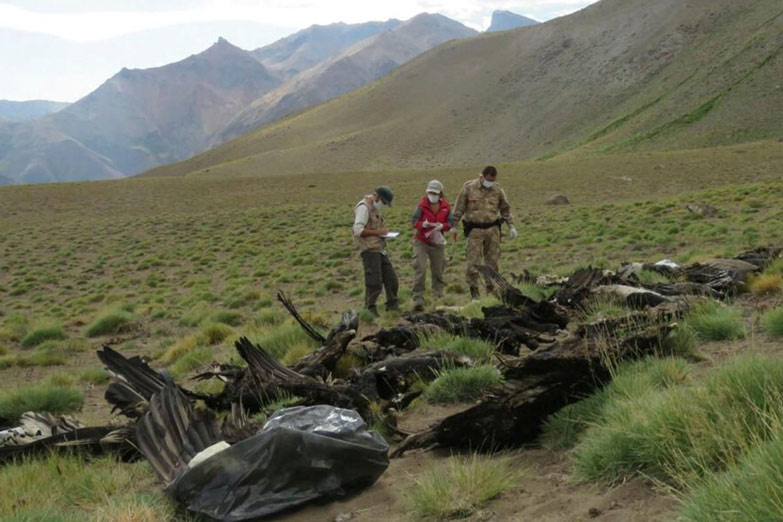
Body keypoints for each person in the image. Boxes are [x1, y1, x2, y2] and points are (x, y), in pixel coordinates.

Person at [452, 166, 517, 299]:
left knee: (492, 263)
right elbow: (459, 207)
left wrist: (511, 226)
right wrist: (454, 225)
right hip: (474, 230)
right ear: (482, 177)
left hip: (492, 230)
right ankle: (474, 293)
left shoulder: (497, 190)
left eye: (493, 180)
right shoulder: (469, 187)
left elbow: (505, 209)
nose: (490, 183)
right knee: (473, 263)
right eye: (488, 180)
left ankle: (491, 291)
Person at [353, 186, 399, 316]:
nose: (383, 205)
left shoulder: (375, 208)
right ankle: (370, 311)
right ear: (377, 197)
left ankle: (392, 308)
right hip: (369, 250)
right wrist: (379, 232)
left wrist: (383, 234)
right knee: (374, 282)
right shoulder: (364, 207)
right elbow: (358, 231)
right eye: (383, 202)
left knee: (391, 280)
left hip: (380, 249)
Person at [411, 180, 453, 312]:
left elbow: (450, 223)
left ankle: (438, 296)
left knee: (438, 270)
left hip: (437, 242)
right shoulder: (421, 206)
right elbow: (414, 221)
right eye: (430, 193)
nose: (432, 195)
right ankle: (418, 298)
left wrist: (443, 226)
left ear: (440, 194)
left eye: (434, 193)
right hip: (421, 241)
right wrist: (422, 224)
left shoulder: (446, 207)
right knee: (421, 268)